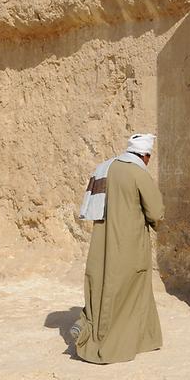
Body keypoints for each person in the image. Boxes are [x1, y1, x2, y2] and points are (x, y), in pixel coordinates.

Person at [71, 133, 164, 363]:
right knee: (129, 289)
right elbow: (156, 211)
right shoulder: (137, 172)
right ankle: (114, 341)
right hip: (128, 242)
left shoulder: (104, 167)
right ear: (145, 155)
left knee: (103, 283)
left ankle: (94, 329)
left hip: (101, 242)